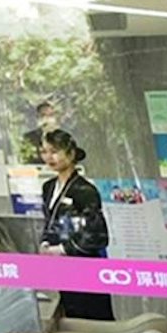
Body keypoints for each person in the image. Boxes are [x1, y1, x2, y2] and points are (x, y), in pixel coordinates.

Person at [38, 130, 113, 321]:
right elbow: (49, 221)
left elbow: (97, 234)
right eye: (44, 151)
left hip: (84, 265)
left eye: (54, 151)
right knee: (67, 312)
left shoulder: (85, 190)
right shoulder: (48, 187)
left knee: (92, 316)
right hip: (60, 266)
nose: (49, 157)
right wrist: (45, 243)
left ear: (71, 154)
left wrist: (62, 249)